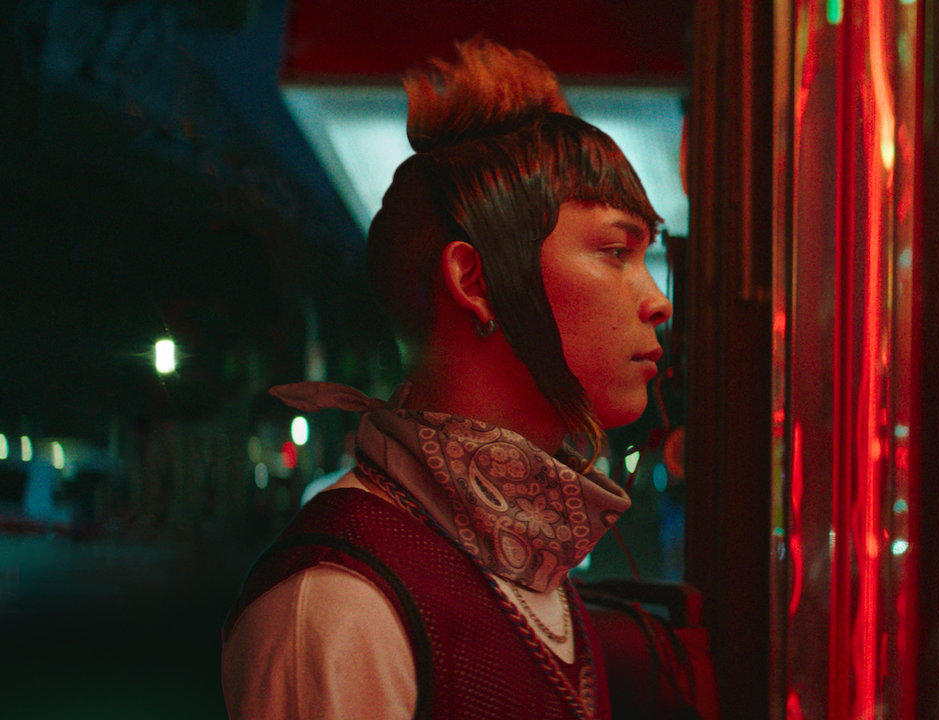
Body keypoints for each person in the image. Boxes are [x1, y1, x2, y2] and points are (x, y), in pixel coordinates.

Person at [221, 38, 672, 720]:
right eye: (615, 251)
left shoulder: (528, 554)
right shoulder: (342, 600)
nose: (657, 300)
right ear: (476, 280)